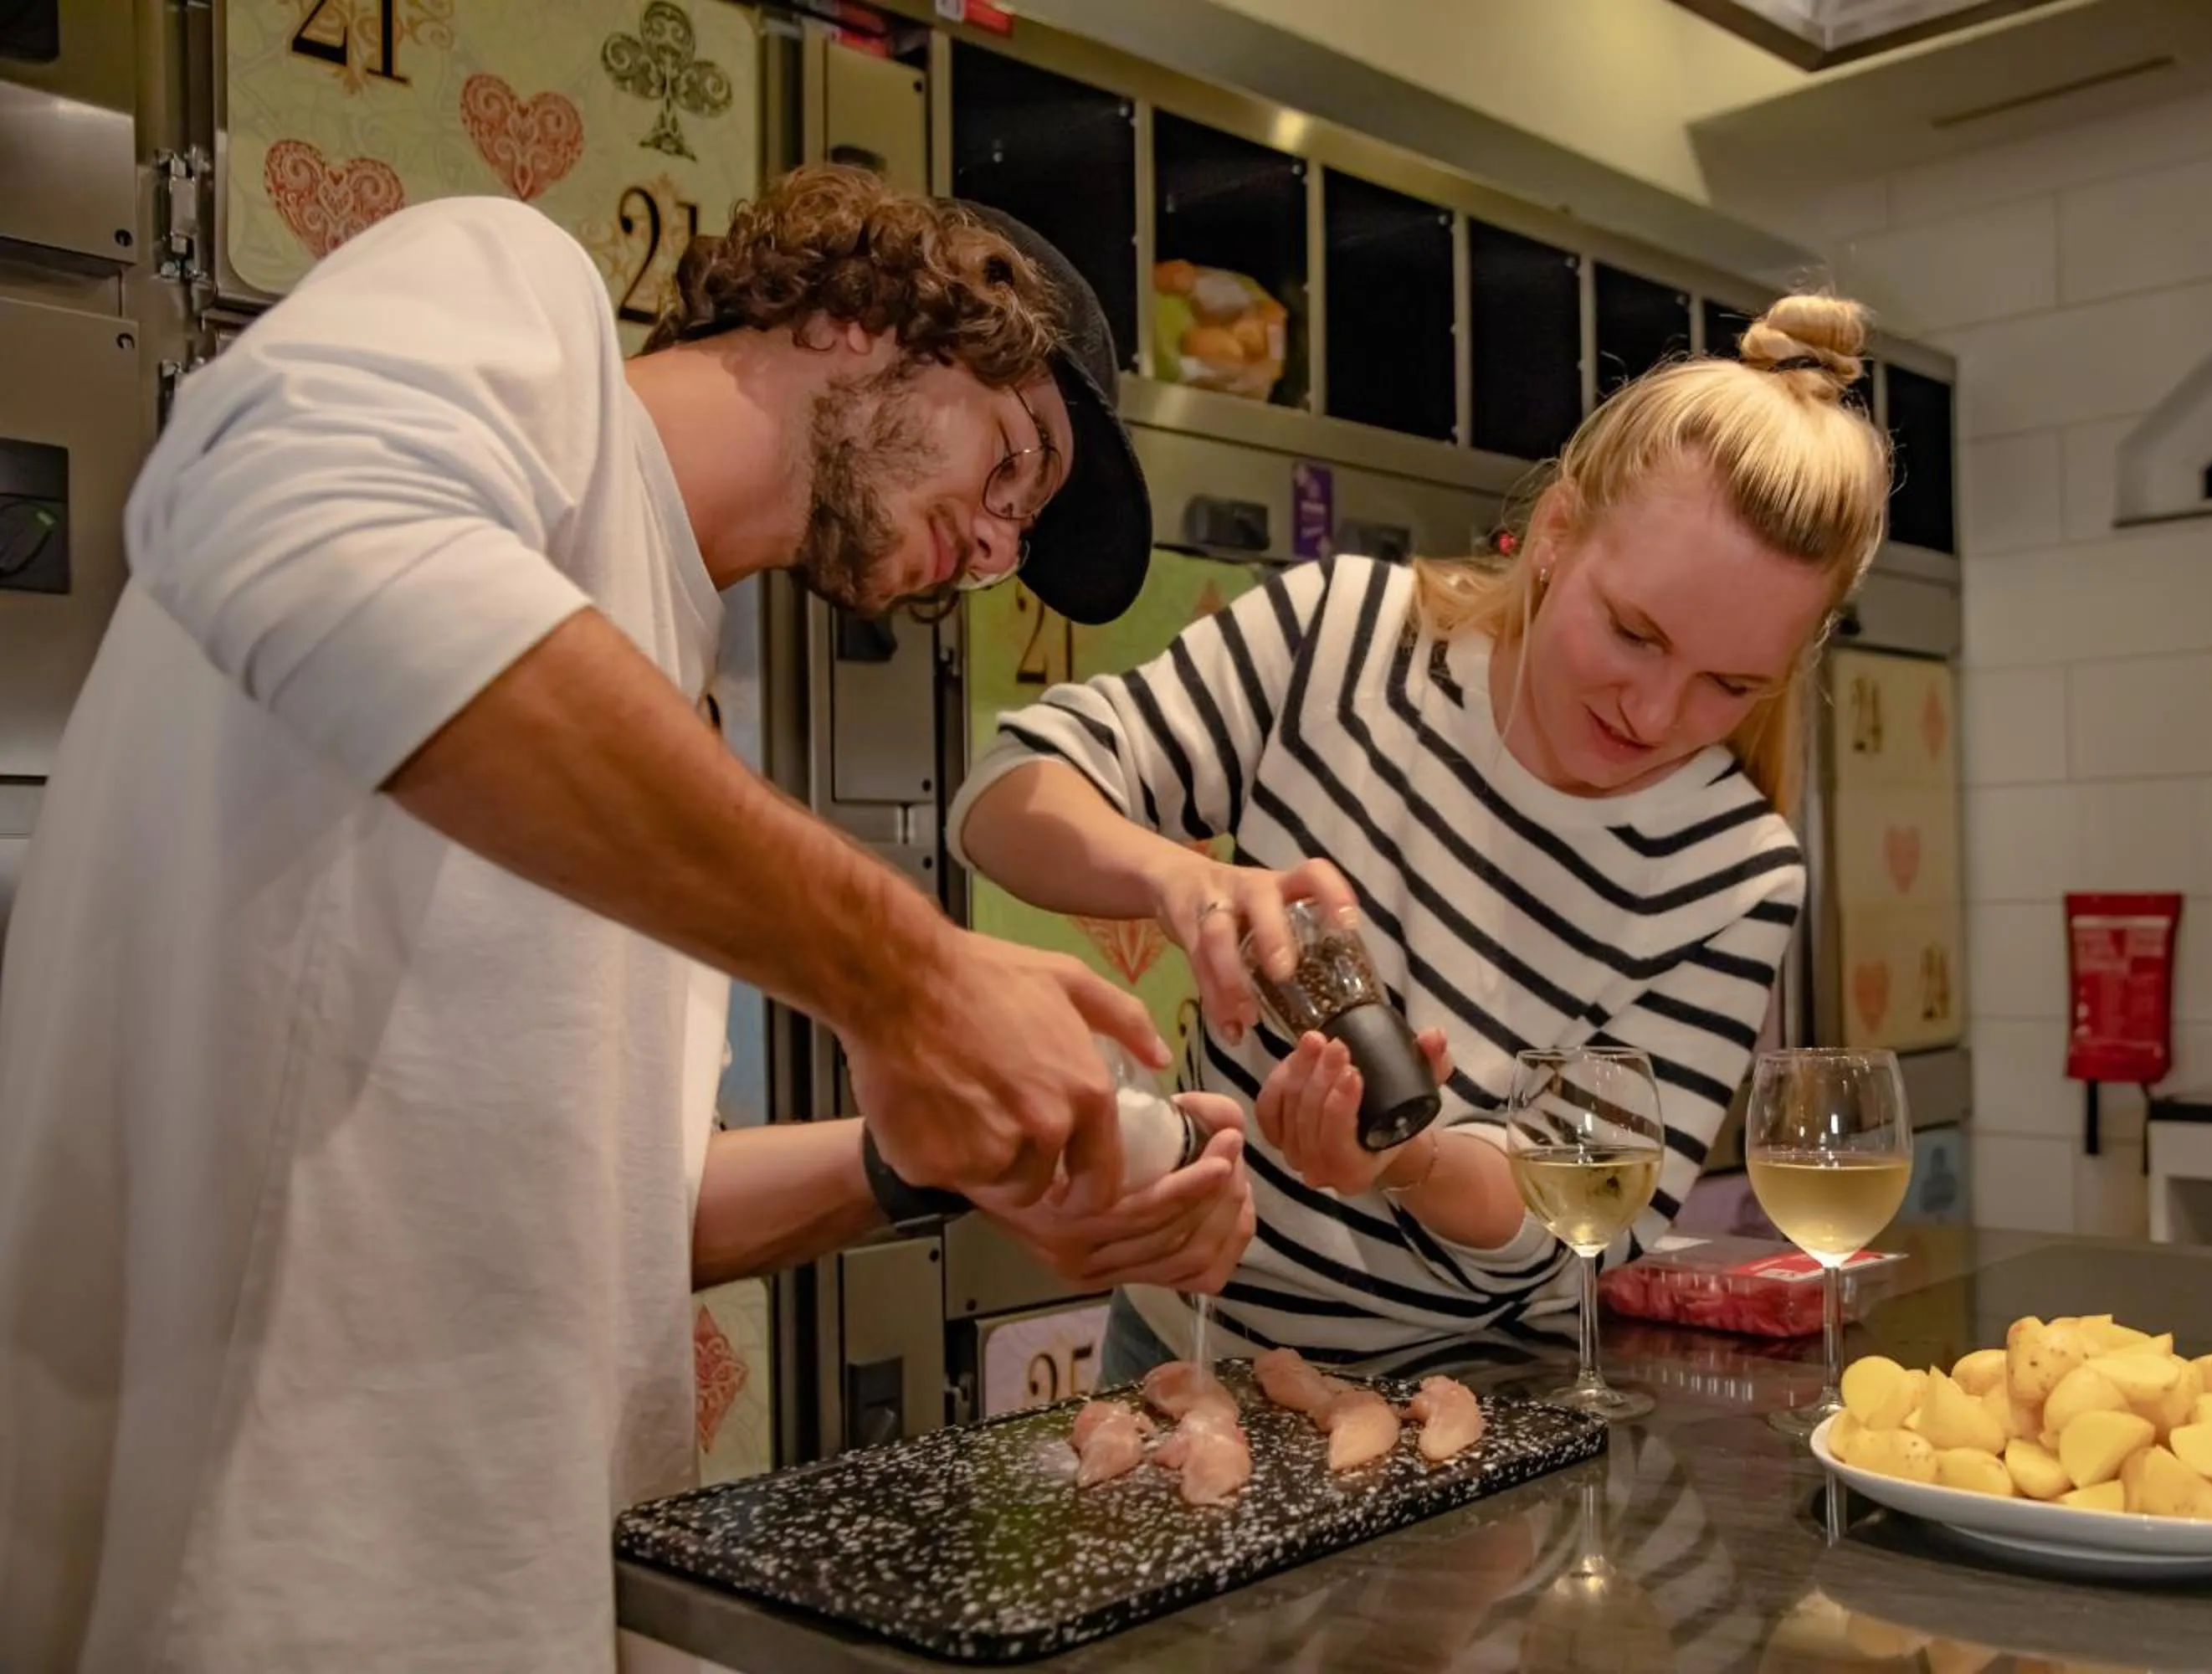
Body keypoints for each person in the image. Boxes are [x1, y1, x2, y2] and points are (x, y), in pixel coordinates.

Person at [0, 164, 1253, 1673]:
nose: (994, 555)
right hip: (262, 1590)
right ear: (876, 316)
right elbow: (293, 519)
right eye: (1013, 467)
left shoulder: (672, 709)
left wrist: (929, 1164)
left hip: (521, 1595)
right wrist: (906, 976)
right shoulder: (508, 289)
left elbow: (620, 1209)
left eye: (1020, 533)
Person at [950, 293, 1892, 1379]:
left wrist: (1410, 1161)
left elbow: (1587, 1226)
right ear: (1556, 533)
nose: (1653, 713)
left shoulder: (1736, 872)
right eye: (1633, 633)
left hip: (1475, 1395)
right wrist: (1174, 880)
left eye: (1730, 686)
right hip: (1184, 1343)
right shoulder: (1346, 638)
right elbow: (1004, 798)